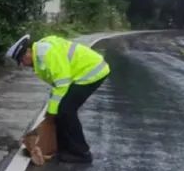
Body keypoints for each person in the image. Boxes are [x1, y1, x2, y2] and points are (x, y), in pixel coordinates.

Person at [6, 33, 110, 163]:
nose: (22, 65)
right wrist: (52, 111)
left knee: (66, 111)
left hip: (92, 73)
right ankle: (63, 148)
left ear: (27, 52)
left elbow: (62, 84)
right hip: (80, 74)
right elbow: (57, 84)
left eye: (21, 60)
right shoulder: (40, 53)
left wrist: (51, 113)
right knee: (61, 110)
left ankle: (82, 153)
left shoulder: (47, 55)